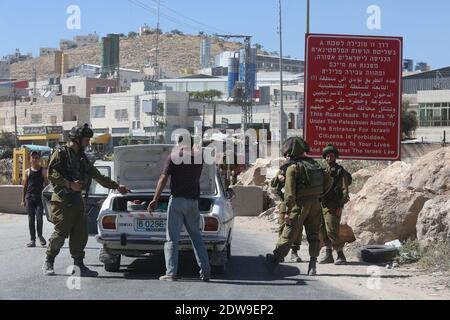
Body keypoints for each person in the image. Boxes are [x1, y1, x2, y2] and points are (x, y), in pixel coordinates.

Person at [43, 124, 130, 277]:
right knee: (60, 233)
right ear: (76, 139)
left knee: (80, 234)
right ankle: (49, 261)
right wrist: (69, 184)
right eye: (86, 139)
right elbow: (51, 174)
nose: (88, 142)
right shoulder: (61, 153)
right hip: (62, 200)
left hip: (77, 200)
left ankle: (79, 265)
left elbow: (97, 175)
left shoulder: (82, 157)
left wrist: (117, 186)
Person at [265, 137, 332, 276]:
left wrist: (289, 211)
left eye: (288, 153)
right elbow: (328, 182)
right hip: (315, 204)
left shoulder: (292, 169)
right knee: (313, 235)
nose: (287, 155)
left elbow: (289, 195)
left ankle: (275, 259)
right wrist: (319, 195)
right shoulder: (316, 165)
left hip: (299, 205)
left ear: (291, 152)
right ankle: (312, 265)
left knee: (289, 232)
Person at [148, 135, 211, 282]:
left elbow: (163, 178)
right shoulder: (199, 158)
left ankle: (171, 273)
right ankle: (206, 271)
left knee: (172, 239)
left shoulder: (174, 157)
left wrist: (155, 199)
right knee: (196, 238)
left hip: (177, 201)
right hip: (193, 202)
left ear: (179, 143)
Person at [319, 144, 351, 265]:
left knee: (332, 230)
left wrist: (340, 206)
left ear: (335, 157)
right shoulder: (323, 171)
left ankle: (340, 255)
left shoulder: (340, 171)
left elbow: (344, 190)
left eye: (331, 156)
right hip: (323, 204)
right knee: (323, 229)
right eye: (327, 156)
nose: (329, 158)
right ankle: (328, 255)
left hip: (334, 205)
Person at [271, 155, 303, 263]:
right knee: (282, 227)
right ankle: (280, 252)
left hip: (297, 202)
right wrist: (278, 177)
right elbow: (273, 183)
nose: (288, 157)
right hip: (285, 202)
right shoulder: (283, 168)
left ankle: (294, 252)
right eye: (287, 155)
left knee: (297, 228)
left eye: (290, 155)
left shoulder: (299, 168)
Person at [22, 151, 48, 248]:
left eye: (36, 158)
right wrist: (23, 199)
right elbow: (24, 186)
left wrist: (47, 199)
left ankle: (40, 236)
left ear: (39, 159)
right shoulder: (27, 171)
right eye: (33, 158)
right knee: (31, 220)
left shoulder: (43, 171)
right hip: (29, 197)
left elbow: (46, 185)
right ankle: (32, 240)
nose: (34, 159)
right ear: (30, 159)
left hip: (39, 198)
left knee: (39, 218)